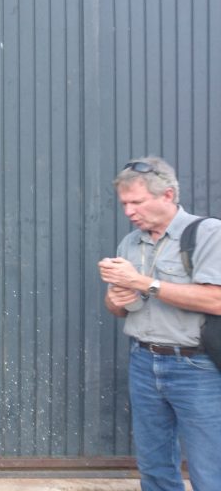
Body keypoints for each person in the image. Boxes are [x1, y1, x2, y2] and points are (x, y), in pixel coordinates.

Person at [98, 156, 221, 491]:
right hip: (144, 361)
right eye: (124, 203)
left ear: (167, 195)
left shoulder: (208, 233)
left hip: (196, 367)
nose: (128, 211)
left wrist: (143, 283)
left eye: (136, 202)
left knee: (209, 469)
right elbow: (120, 309)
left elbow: (216, 300)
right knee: (153, 467)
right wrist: (115, 298)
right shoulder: (130, 243)